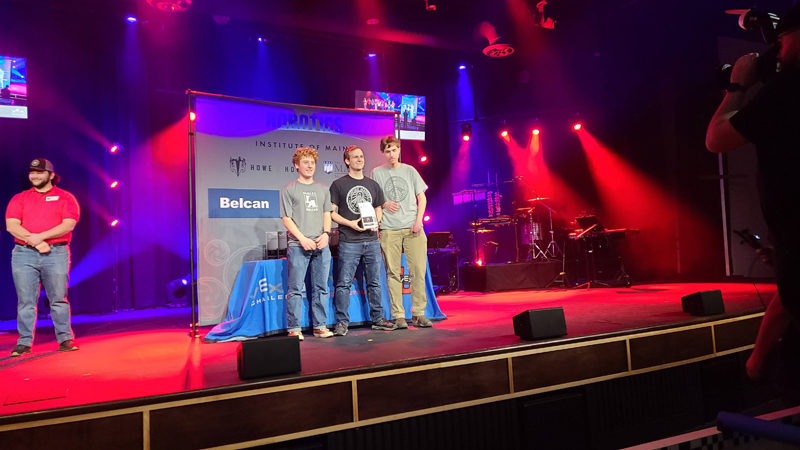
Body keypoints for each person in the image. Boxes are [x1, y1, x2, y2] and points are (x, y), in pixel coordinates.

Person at [706, 3, 800, 384]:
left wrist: (737, 87)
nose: (776, 51)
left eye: (782, 41)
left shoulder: (789, 90)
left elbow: (716, 139)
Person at [5, 158, 80, 356]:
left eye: (39, 172)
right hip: (24, 254)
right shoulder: (20, 198)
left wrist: (42, 237)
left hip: (56, 253)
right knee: (26, 301)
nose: (35, 176)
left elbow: (68, 224)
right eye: (32, 172)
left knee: (58, 299)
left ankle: (65, 338)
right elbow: (12, 226)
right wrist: (37, 242)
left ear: (51, 175)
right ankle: (24, 342)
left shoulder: (65, 197)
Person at [329, 145, 397, 336]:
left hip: (372, 241)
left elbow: (378, 207)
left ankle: (377, 319)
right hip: (349, 241)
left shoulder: (373, 185)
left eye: (361, 156)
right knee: (343, 283)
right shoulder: (338, 185)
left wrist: (378, 221)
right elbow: (332, 213)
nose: (359, 159)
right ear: (347, 161)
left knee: (374, 282)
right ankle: (342, 322)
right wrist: (350, 223)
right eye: (355, 157)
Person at [370, 136, 432, 328]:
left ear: (399, 150)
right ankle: (398, 316)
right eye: (387, 151)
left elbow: (421, 198)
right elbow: (373, 201)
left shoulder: (410, 170)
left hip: (413, 228)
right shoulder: (376, 173)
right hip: (389, 230)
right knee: (393, 273)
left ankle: (419, 313)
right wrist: (384, 203)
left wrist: (418, 220)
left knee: (418, 272)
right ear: (383, 152)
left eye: (394, 150)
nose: (391, 154)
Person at [280, 147, 334, 340]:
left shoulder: (323, 189)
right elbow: (287, 219)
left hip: (321, 244)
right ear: (296, 165)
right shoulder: (289, 189)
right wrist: (302, 238)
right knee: (295, 288)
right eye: (305, 162)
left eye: (312, 162)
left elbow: (327, 214)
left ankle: (320, 326)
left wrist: (326, 234)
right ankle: (294, 328)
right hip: (298, 245)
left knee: (320, 288)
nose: (310, 166)